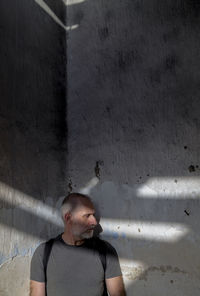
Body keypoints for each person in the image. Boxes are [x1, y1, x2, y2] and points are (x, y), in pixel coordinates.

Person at [30, 193, 126, 296]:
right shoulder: (43, 253)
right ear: (68, 218)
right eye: (87, 216)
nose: (94, 222)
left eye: (93, 215)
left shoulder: (105, 250)